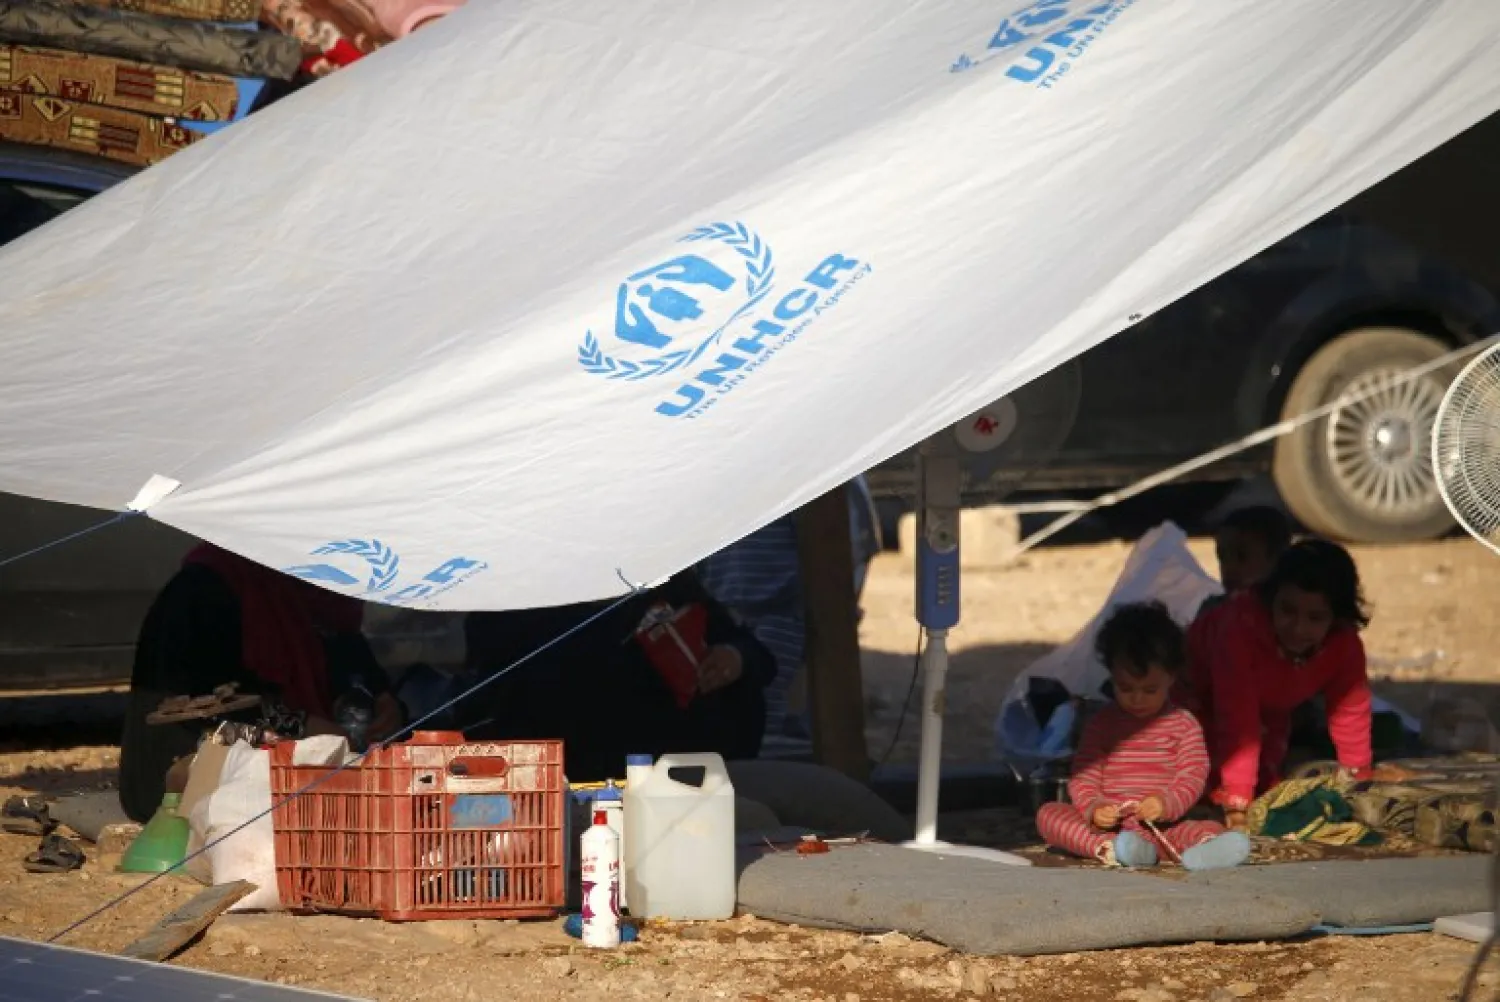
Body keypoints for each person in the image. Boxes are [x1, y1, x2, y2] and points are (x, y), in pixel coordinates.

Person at [119, 544, 403, 822]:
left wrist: (383, 699)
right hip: (183, 787)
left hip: (274, 781)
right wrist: (299, 724)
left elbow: (350, 656)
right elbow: (205, 703)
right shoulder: (208, 590)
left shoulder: (309, 596)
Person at [462, 570, 776, 782]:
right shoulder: (519, 592)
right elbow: (491, 677)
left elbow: (756, 655)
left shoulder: (658, 577)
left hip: (683, 767)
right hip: (571, 767)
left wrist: (735, 658)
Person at [1189, 539, 1394, 829]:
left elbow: (1350, 711)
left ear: (1337, 618)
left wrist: (1357, 777)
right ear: (1269, 599)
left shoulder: (1344, 645)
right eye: (1287, 610)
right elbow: (1237, 720)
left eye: (1315, 618)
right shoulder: (1239, 629)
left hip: (1270, 711)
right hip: (1194, 701)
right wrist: (1236, 803)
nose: (1298, 628)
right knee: (1196, 784)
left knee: (1268, 785)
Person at [1036, 602, 1250, 870]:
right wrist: (1095, 808)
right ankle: (1115, 850)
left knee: (1206, 827)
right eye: (1125, 688)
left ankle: (1206, 850)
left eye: (1150, 690)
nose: (1137, 699)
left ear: (1171, 678)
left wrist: (1166, 804)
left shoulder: (1183, 725)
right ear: (1111, 675)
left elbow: (1193, 774)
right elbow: (1084, 774)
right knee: (1049, 814)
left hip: (1167, 828)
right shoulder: (1101, 725)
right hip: (1111, 830)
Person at [1198, 505, 1293, 615]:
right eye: (1221, 556)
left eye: (1241, 556)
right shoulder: (1212, 613)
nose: (1229, 567)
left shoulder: (1292, 615)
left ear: (1276, 558)